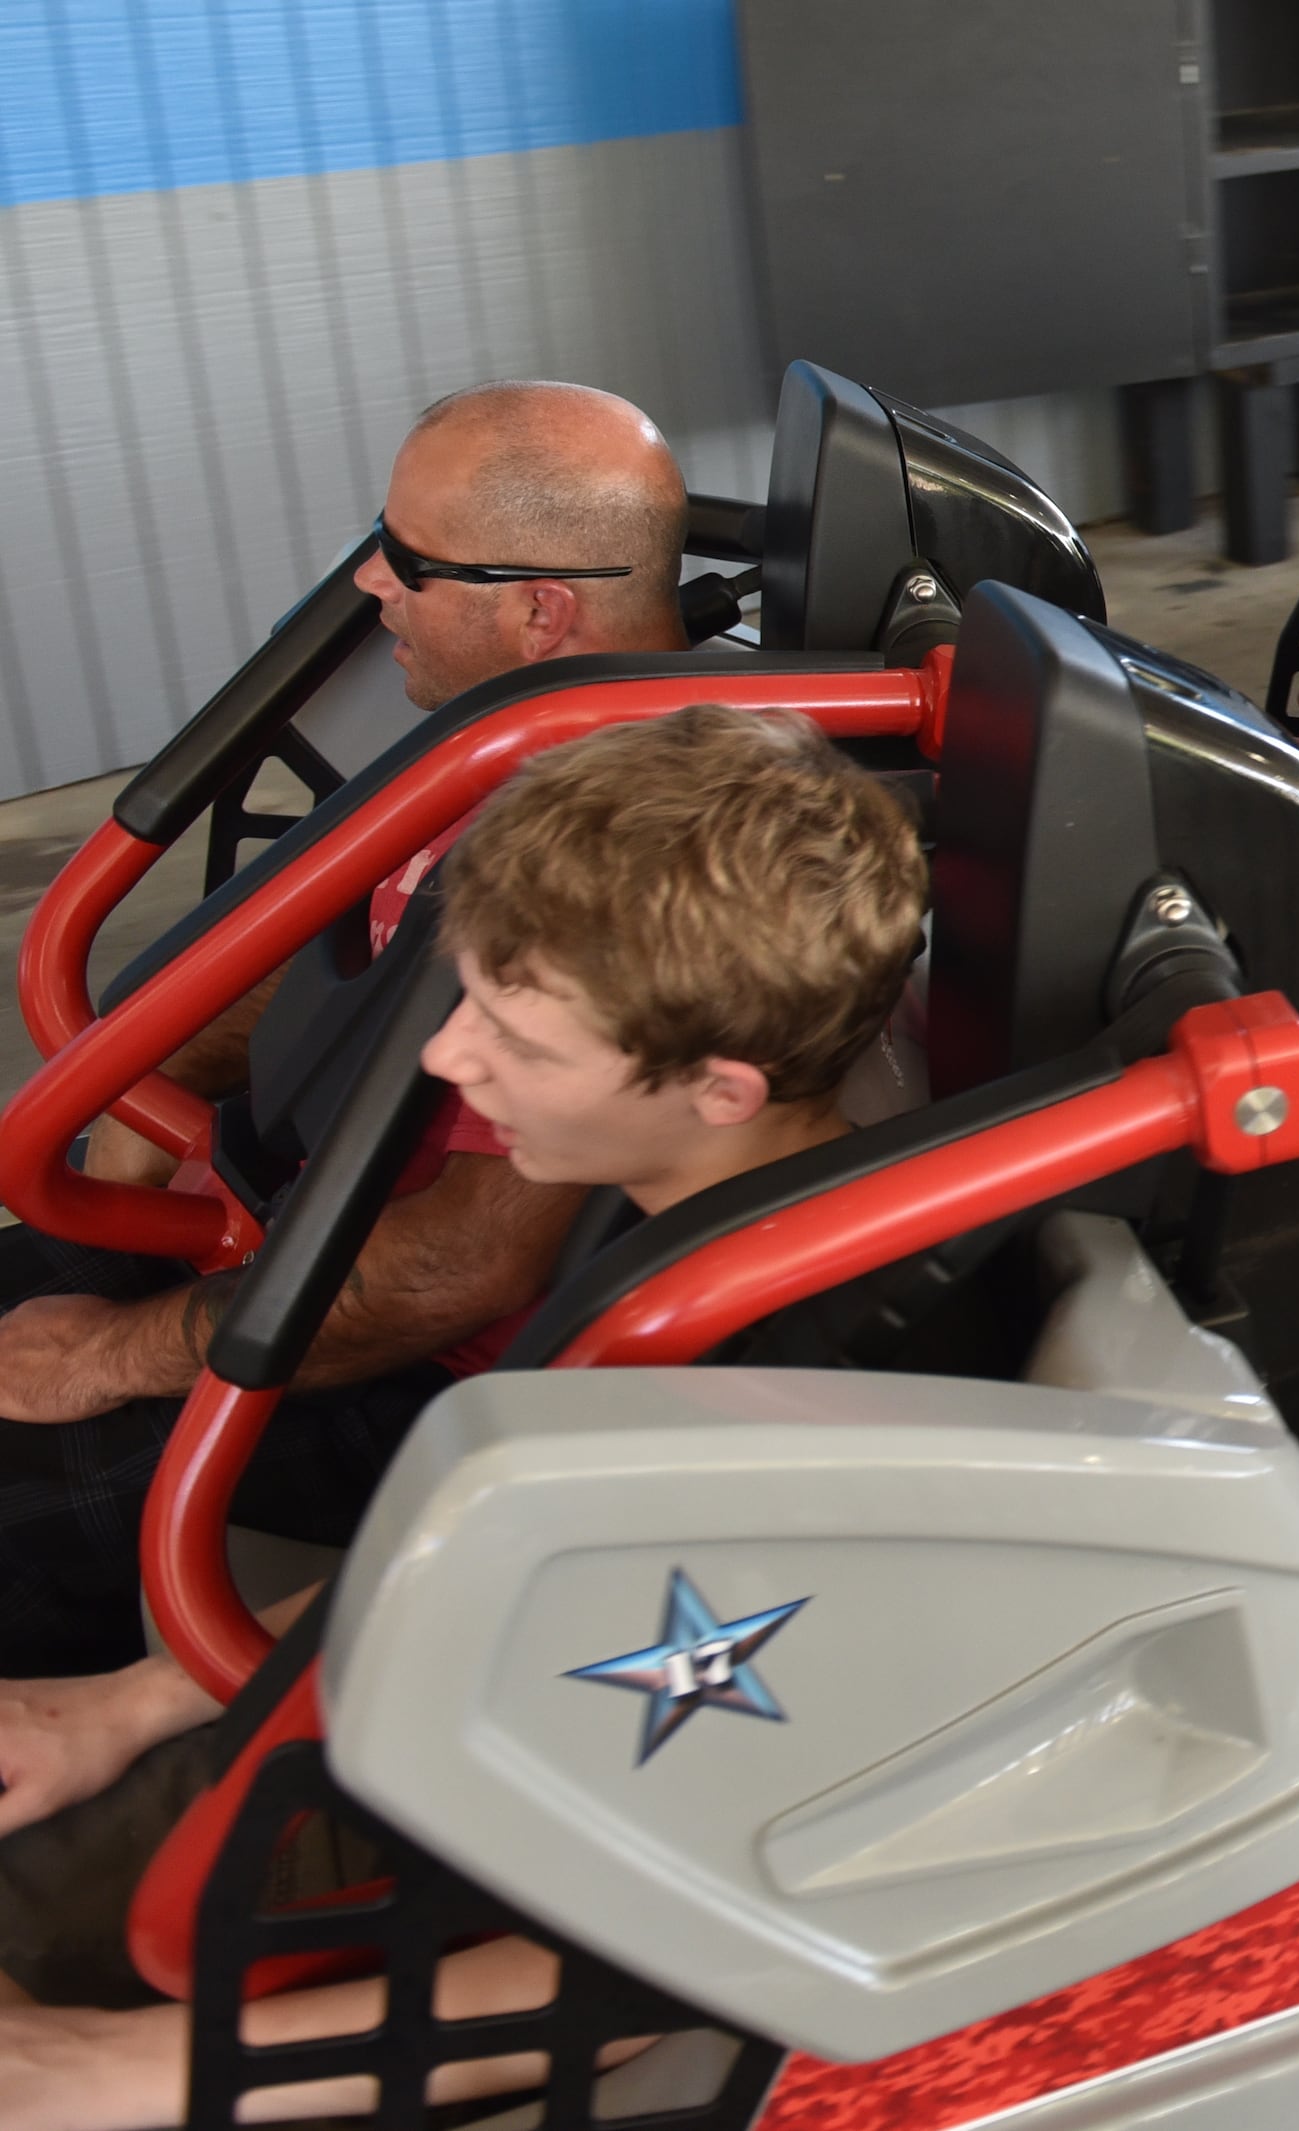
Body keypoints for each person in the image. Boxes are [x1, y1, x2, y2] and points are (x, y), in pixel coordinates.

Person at [0, 704, 928, 2128]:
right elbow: (518, 1551)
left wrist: (117, 2069)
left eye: (514, 1036)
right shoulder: (690, 1218)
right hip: (450, 1722)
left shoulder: (802, 1408)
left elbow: (731, 1916)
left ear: (717, 1087)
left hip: (464, 1889)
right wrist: (122, 1704)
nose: (448, 1065)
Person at [0, 382, 694, 1679]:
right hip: (291, 1222)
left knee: (21, 1498)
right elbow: (345, 943)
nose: (372, 581)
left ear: (539, 609)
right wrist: (147, 1092)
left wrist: (107, 1354)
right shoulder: (504, 738)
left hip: (411, 1362)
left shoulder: (614, 850)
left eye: (410, 561)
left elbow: (468, 1266)